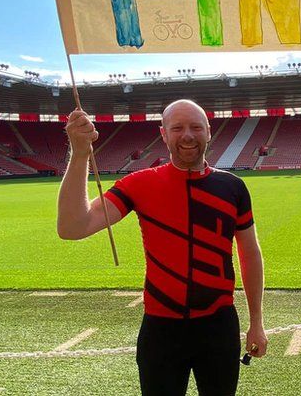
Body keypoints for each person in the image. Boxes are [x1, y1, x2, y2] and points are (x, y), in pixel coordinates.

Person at [58, 99, 267, 396]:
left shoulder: (233, 187)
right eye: (177, 128)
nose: (188, 136)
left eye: (196, 127)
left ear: (209, 131)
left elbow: (250, 254)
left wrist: (256, 322)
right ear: (163, 134)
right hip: (161, 331)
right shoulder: (139, 184)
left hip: (219, 327)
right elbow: (72, 227)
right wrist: (79, 155)